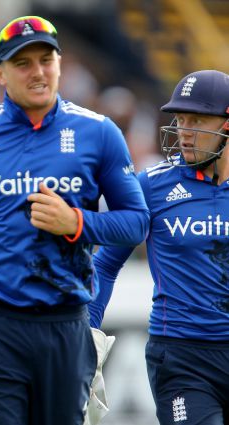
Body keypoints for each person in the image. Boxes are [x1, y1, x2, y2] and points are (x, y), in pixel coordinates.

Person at [0, 15, 150, 425]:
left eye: (46, 59)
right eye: (23, 63)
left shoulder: (99, 133)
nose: (38, 72)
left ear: (60, 63)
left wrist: (78, 223)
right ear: (0, 74)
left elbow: (136, 223)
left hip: (65, 325)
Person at [89, 69, 229, 424]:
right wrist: (86, 331)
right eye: (180, 119)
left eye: (196, 120)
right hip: (182, 357)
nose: (183, 131)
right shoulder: (152, 186)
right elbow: (106, 263)